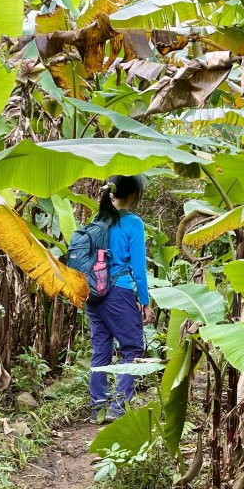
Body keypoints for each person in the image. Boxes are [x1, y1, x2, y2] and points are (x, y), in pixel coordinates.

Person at [87, 174, 151, 423]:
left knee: (101, 351)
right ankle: (117, 409)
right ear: (134, 195)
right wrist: (144, 301)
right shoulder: (133, 223)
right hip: (119, 292)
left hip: (94, 293)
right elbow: (138, 267)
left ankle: (97, 410)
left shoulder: (98, 220)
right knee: (133, 349)